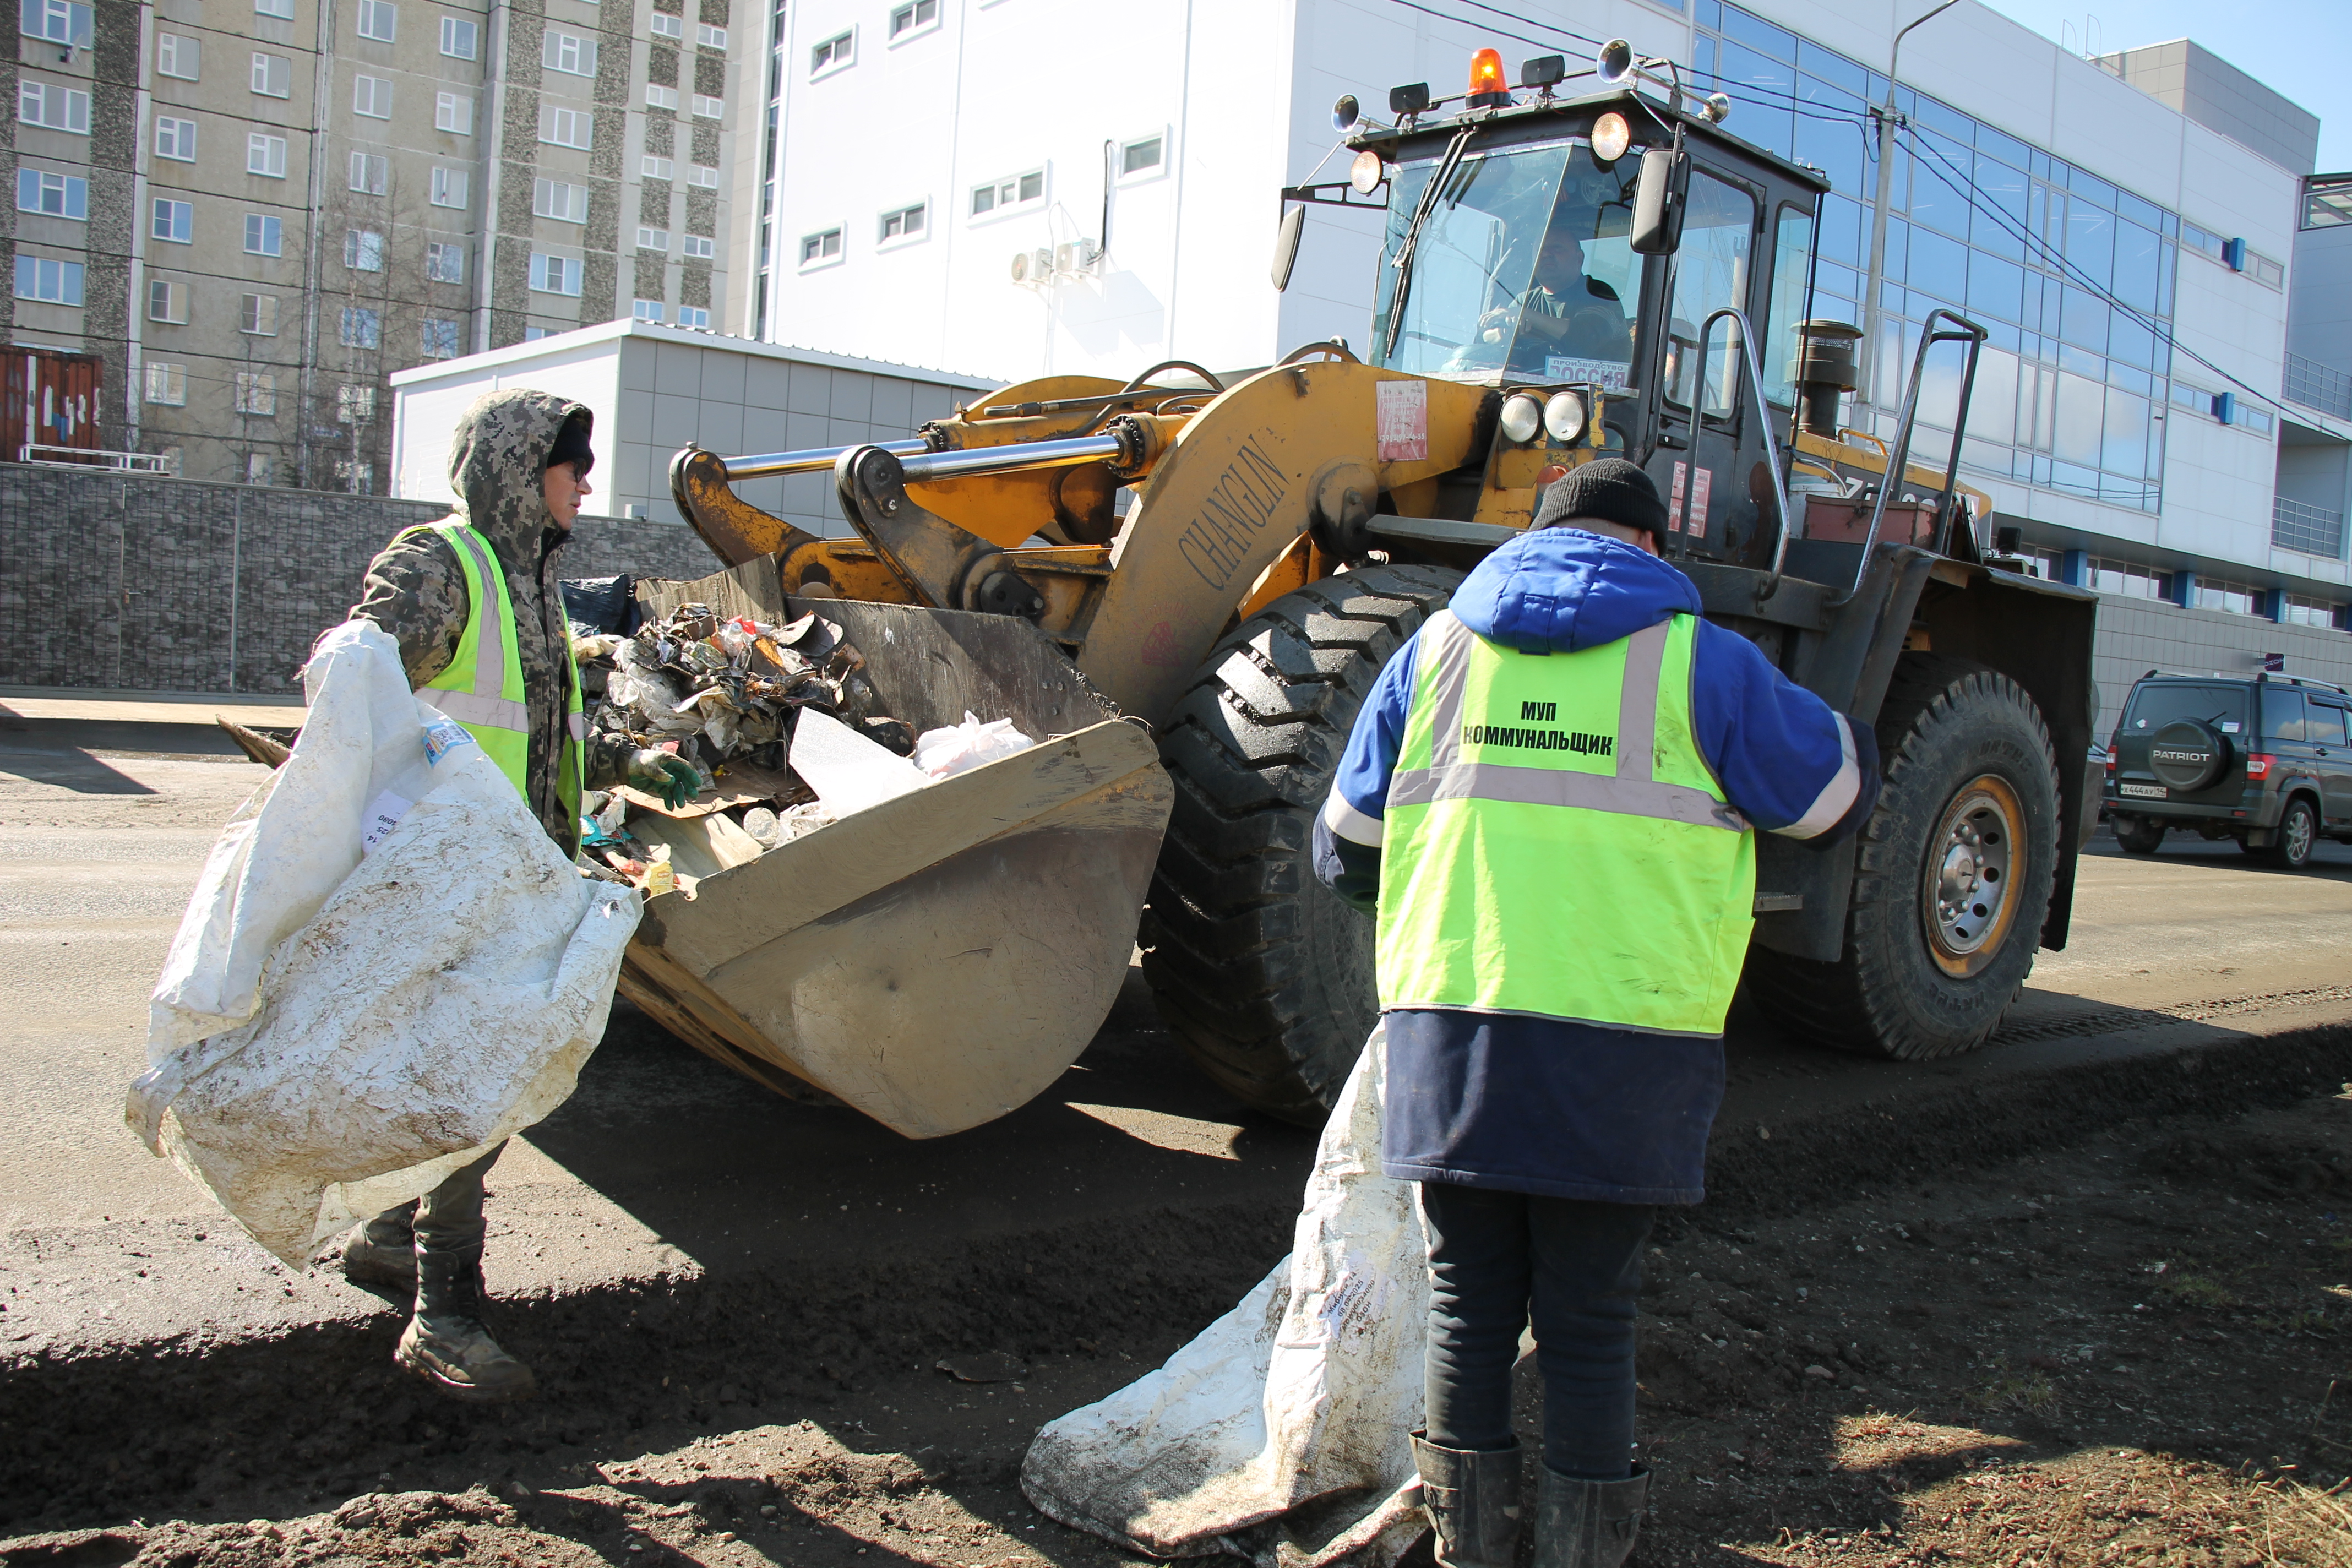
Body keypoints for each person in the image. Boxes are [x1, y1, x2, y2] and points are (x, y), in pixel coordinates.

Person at [1311, 459, 1881, 1568]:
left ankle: (1470, 1550)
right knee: (1588, 1319)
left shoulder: (1432, 655)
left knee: (1470, 1304)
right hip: (1627, 1045)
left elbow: (1344, 849)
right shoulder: (1703, 660)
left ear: (1529, 540)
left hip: (1455, 1027)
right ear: (1654, 549)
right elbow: (1832, 801)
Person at [329, 388, 698, 1402]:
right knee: (475, 1083)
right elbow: (347, 691)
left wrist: (625, 755)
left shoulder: (530, 581)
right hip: (440, 881)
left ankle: (381, 1240)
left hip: (512, 876)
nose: (586, 481)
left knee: (455, 1074)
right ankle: (444, 1316)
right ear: (516, 468)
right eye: (571, 463)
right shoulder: (439, 566)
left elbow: (530, 719)